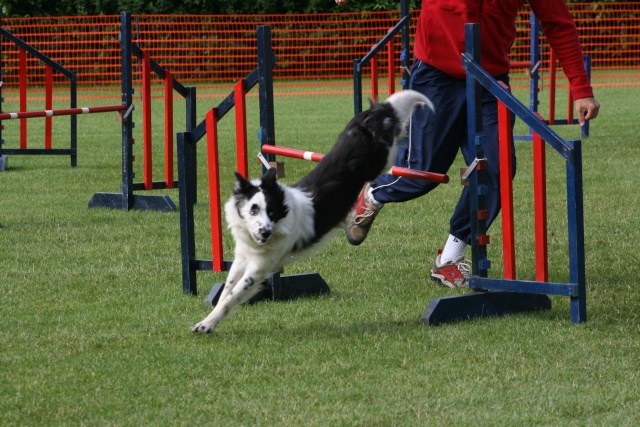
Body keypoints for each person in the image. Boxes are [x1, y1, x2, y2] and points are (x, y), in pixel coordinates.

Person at [336, 0, 600, 288]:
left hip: (489, 78)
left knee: (496, 170)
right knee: (423, 173)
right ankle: (372, 195)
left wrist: (581, 88)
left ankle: (449, 259)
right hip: (436, 73)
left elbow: (557, 21)